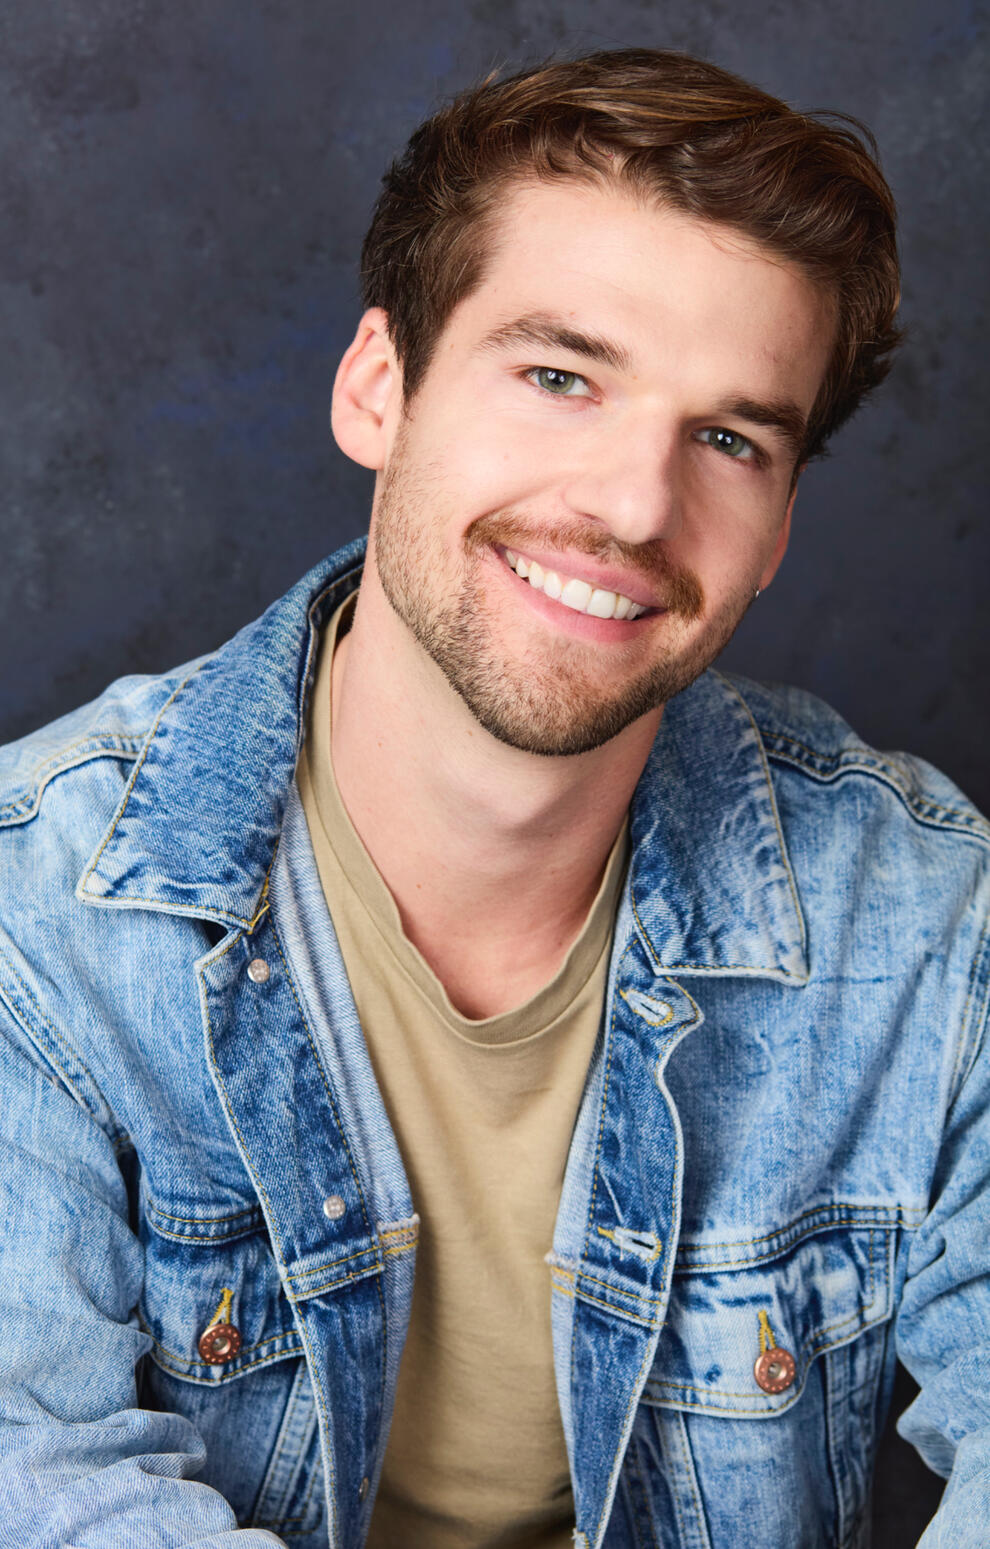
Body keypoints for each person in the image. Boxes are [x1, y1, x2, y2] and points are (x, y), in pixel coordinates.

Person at [0, 45, 986, 1549]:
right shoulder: (37, 911)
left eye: (727, 438)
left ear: (779, 523)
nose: (634, 505)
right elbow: (39, 1487)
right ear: (376, 387)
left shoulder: (923, 916)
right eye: (558, 376)